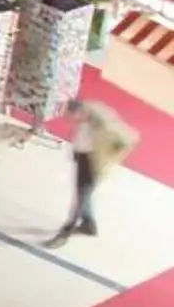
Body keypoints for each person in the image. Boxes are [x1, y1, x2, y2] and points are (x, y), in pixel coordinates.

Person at [47, 102, 137, 246]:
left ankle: (65, 232)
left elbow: (126, 140)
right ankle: (88, 224)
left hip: (94, 164)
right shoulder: (84, 116)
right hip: (83, 158)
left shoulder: (102, 126)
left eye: (71, 116)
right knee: (83, 194)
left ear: (79, 112)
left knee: (81, 197)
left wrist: (109, 157)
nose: (69, 120)